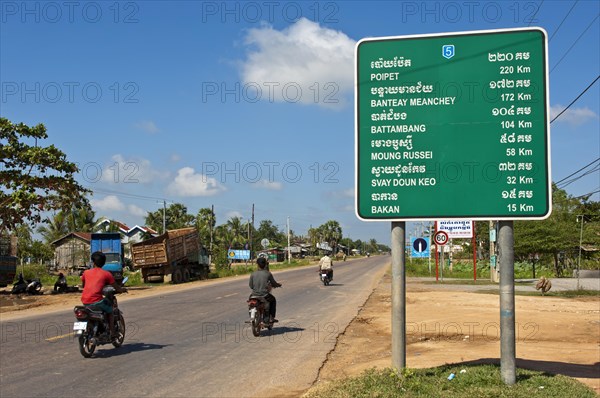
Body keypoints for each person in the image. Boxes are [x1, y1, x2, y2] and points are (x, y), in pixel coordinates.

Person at [81, 251, 125, 339]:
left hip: (85, 301)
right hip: (97, 302)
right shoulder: (106, 274)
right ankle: (112, 332)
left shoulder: (86, 273)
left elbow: (83, 285)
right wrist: (122, 290)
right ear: (104, 263)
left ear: (93, 262)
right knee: (111, 310)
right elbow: (116, 287)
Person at [249, 256, 282, 322]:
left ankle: (252, 315)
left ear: (257, 264)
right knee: (273, 300)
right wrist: (278, 285)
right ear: (265, 264)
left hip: (254, 295)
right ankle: (271, 318)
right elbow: (273, 283)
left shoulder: (253, 274)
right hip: (264, 295)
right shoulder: (268, 274)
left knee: (250, 301)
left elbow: (251, 286)